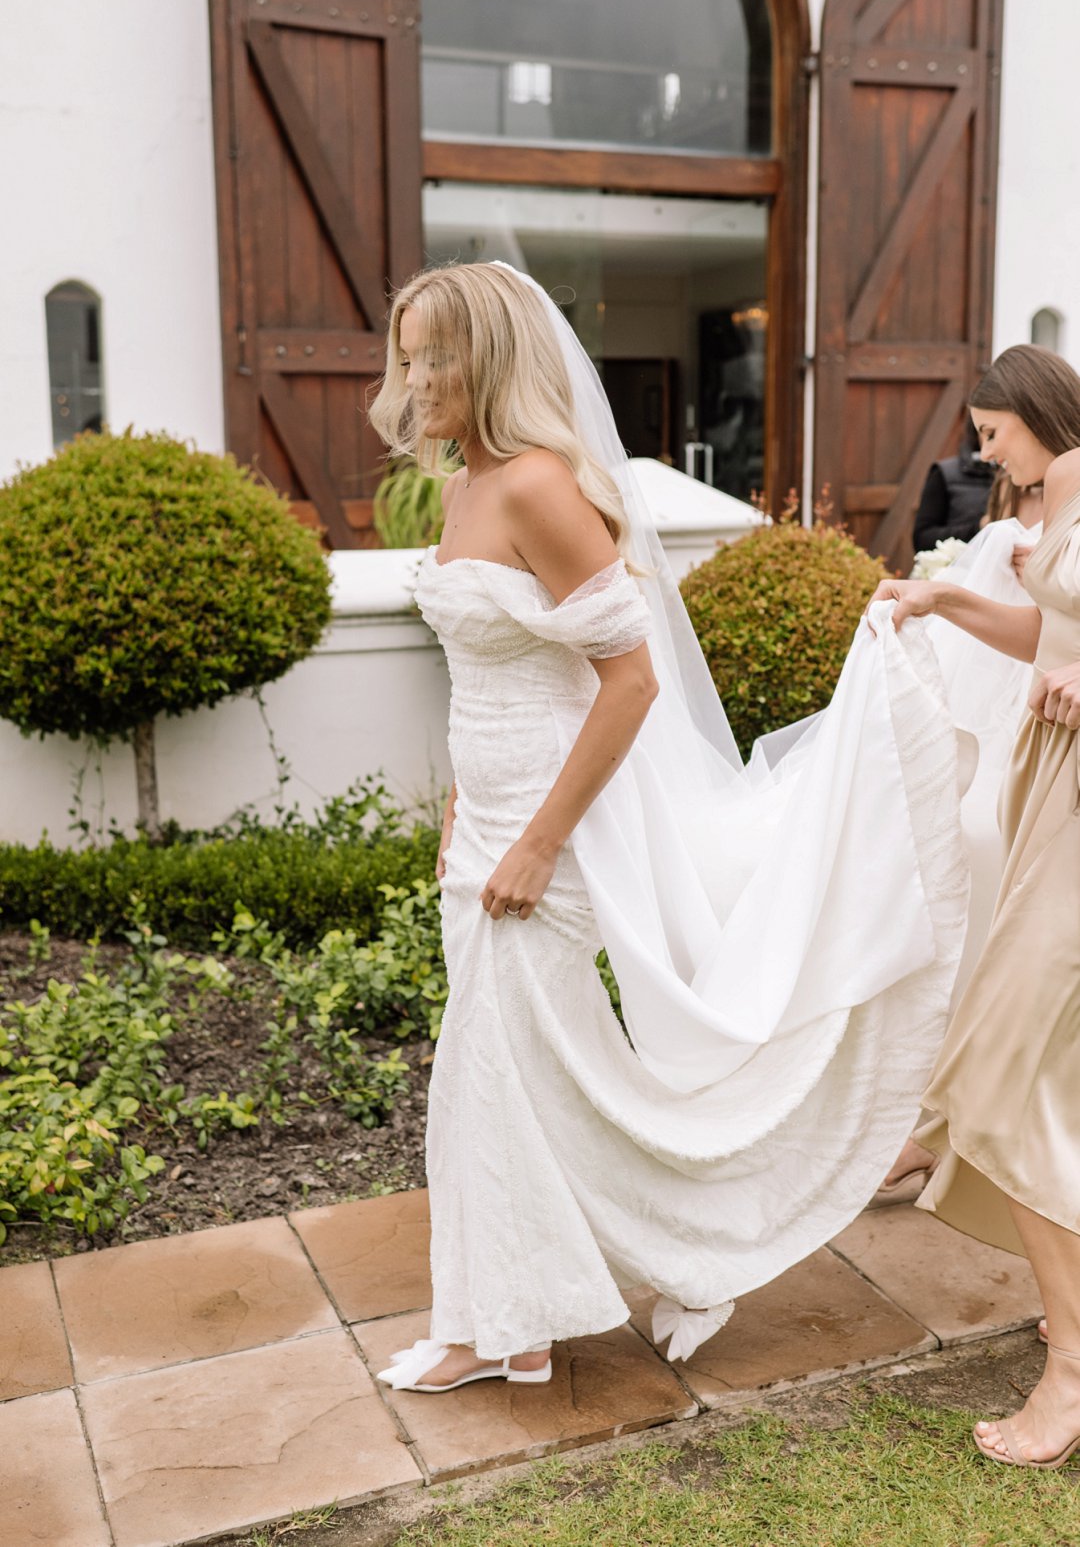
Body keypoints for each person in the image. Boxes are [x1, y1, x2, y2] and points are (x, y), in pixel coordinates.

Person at [367, 262, 969, 1394]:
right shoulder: (465, 486)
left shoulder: (538, 486)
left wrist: (539, 841)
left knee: (498, 1072)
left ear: (489, 358)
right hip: (487, 824)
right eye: (407, 357)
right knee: (508, 1076)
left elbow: (630, 681)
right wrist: (461, 812)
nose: (414, 381)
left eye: (435, 356)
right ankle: (517, 1321)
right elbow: (487, 680)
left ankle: (522, 1315)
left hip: (552, 833)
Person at [867, 342, 1080, 1469]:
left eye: (995, 433)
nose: (988, 455)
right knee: (1035, 1065)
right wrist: (947, 597)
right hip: (1050, 792)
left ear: (1040, 412)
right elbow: (1054, 637)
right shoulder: (1062, 500)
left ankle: (1074, 1366)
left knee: (1003, 1066)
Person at [912, 418, 996, 552]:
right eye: (990, 434)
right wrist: (978, 527)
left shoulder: (1023, 479)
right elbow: (922, 539)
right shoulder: (945, 473)